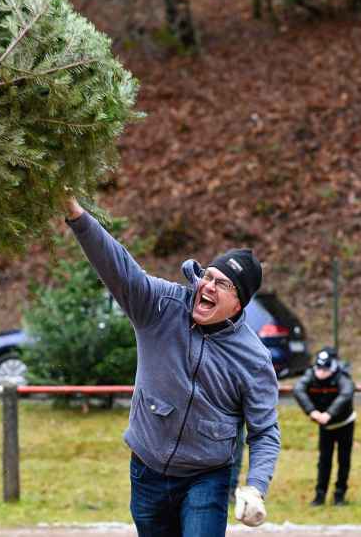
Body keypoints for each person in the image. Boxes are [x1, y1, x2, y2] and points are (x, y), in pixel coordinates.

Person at [63, 197, 280, 536]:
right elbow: (117, 266)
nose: (207, 286)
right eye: (208, 276)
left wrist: (255, 487)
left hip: (206, 475)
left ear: (238, 303)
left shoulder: (253, 359)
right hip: (147, 469)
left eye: (221, 284)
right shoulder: (160, 306)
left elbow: (265, 430)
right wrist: (77, 216)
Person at [293, 346, 356, 506]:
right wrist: (312, 411)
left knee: (344, 460)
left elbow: (347, 393)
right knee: (324, 460)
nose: (321, 373)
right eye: (319, 368)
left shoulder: (341, 376)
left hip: (344, 423)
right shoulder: (310, 375)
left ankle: (340, 495)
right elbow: (298, 389)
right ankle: (320, 495)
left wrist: (329, 414)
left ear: (333, 367)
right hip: (325, 426)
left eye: (325, 369)